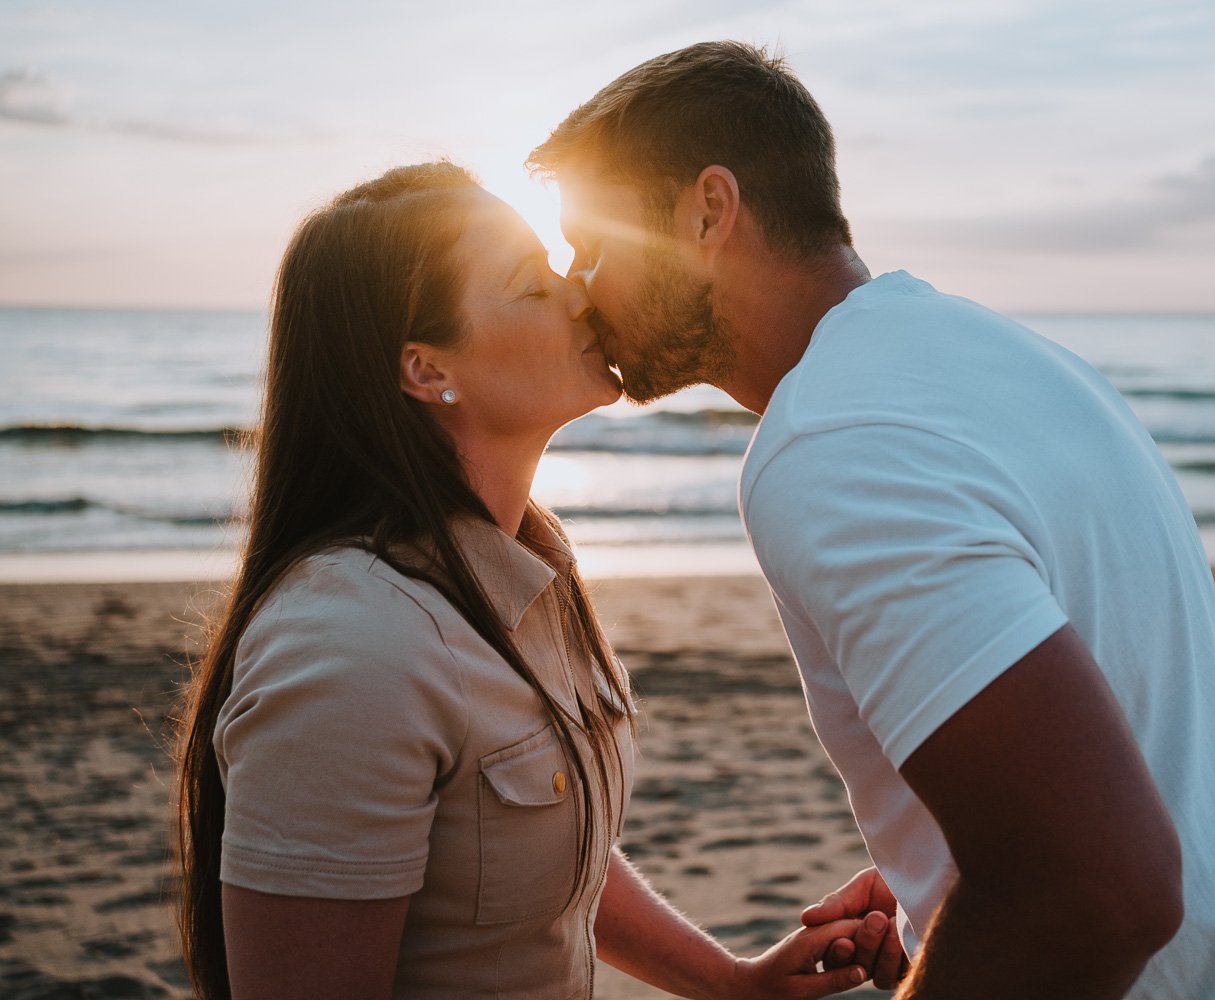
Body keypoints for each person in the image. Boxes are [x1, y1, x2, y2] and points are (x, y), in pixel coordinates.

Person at [527, 41, 1215, 998]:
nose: (579, 283)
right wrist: (956, 898)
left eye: (593, 243)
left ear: (707, 211)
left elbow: (1099, 887)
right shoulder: (1009, 361)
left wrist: (1010, 905)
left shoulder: (830, 443)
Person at [172, 161, 883, 1000]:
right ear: (428, 370)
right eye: (528, 283)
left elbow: (530, 848)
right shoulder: (350, 648)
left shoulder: (523, 570)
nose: (579, 292)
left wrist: (731, 982)